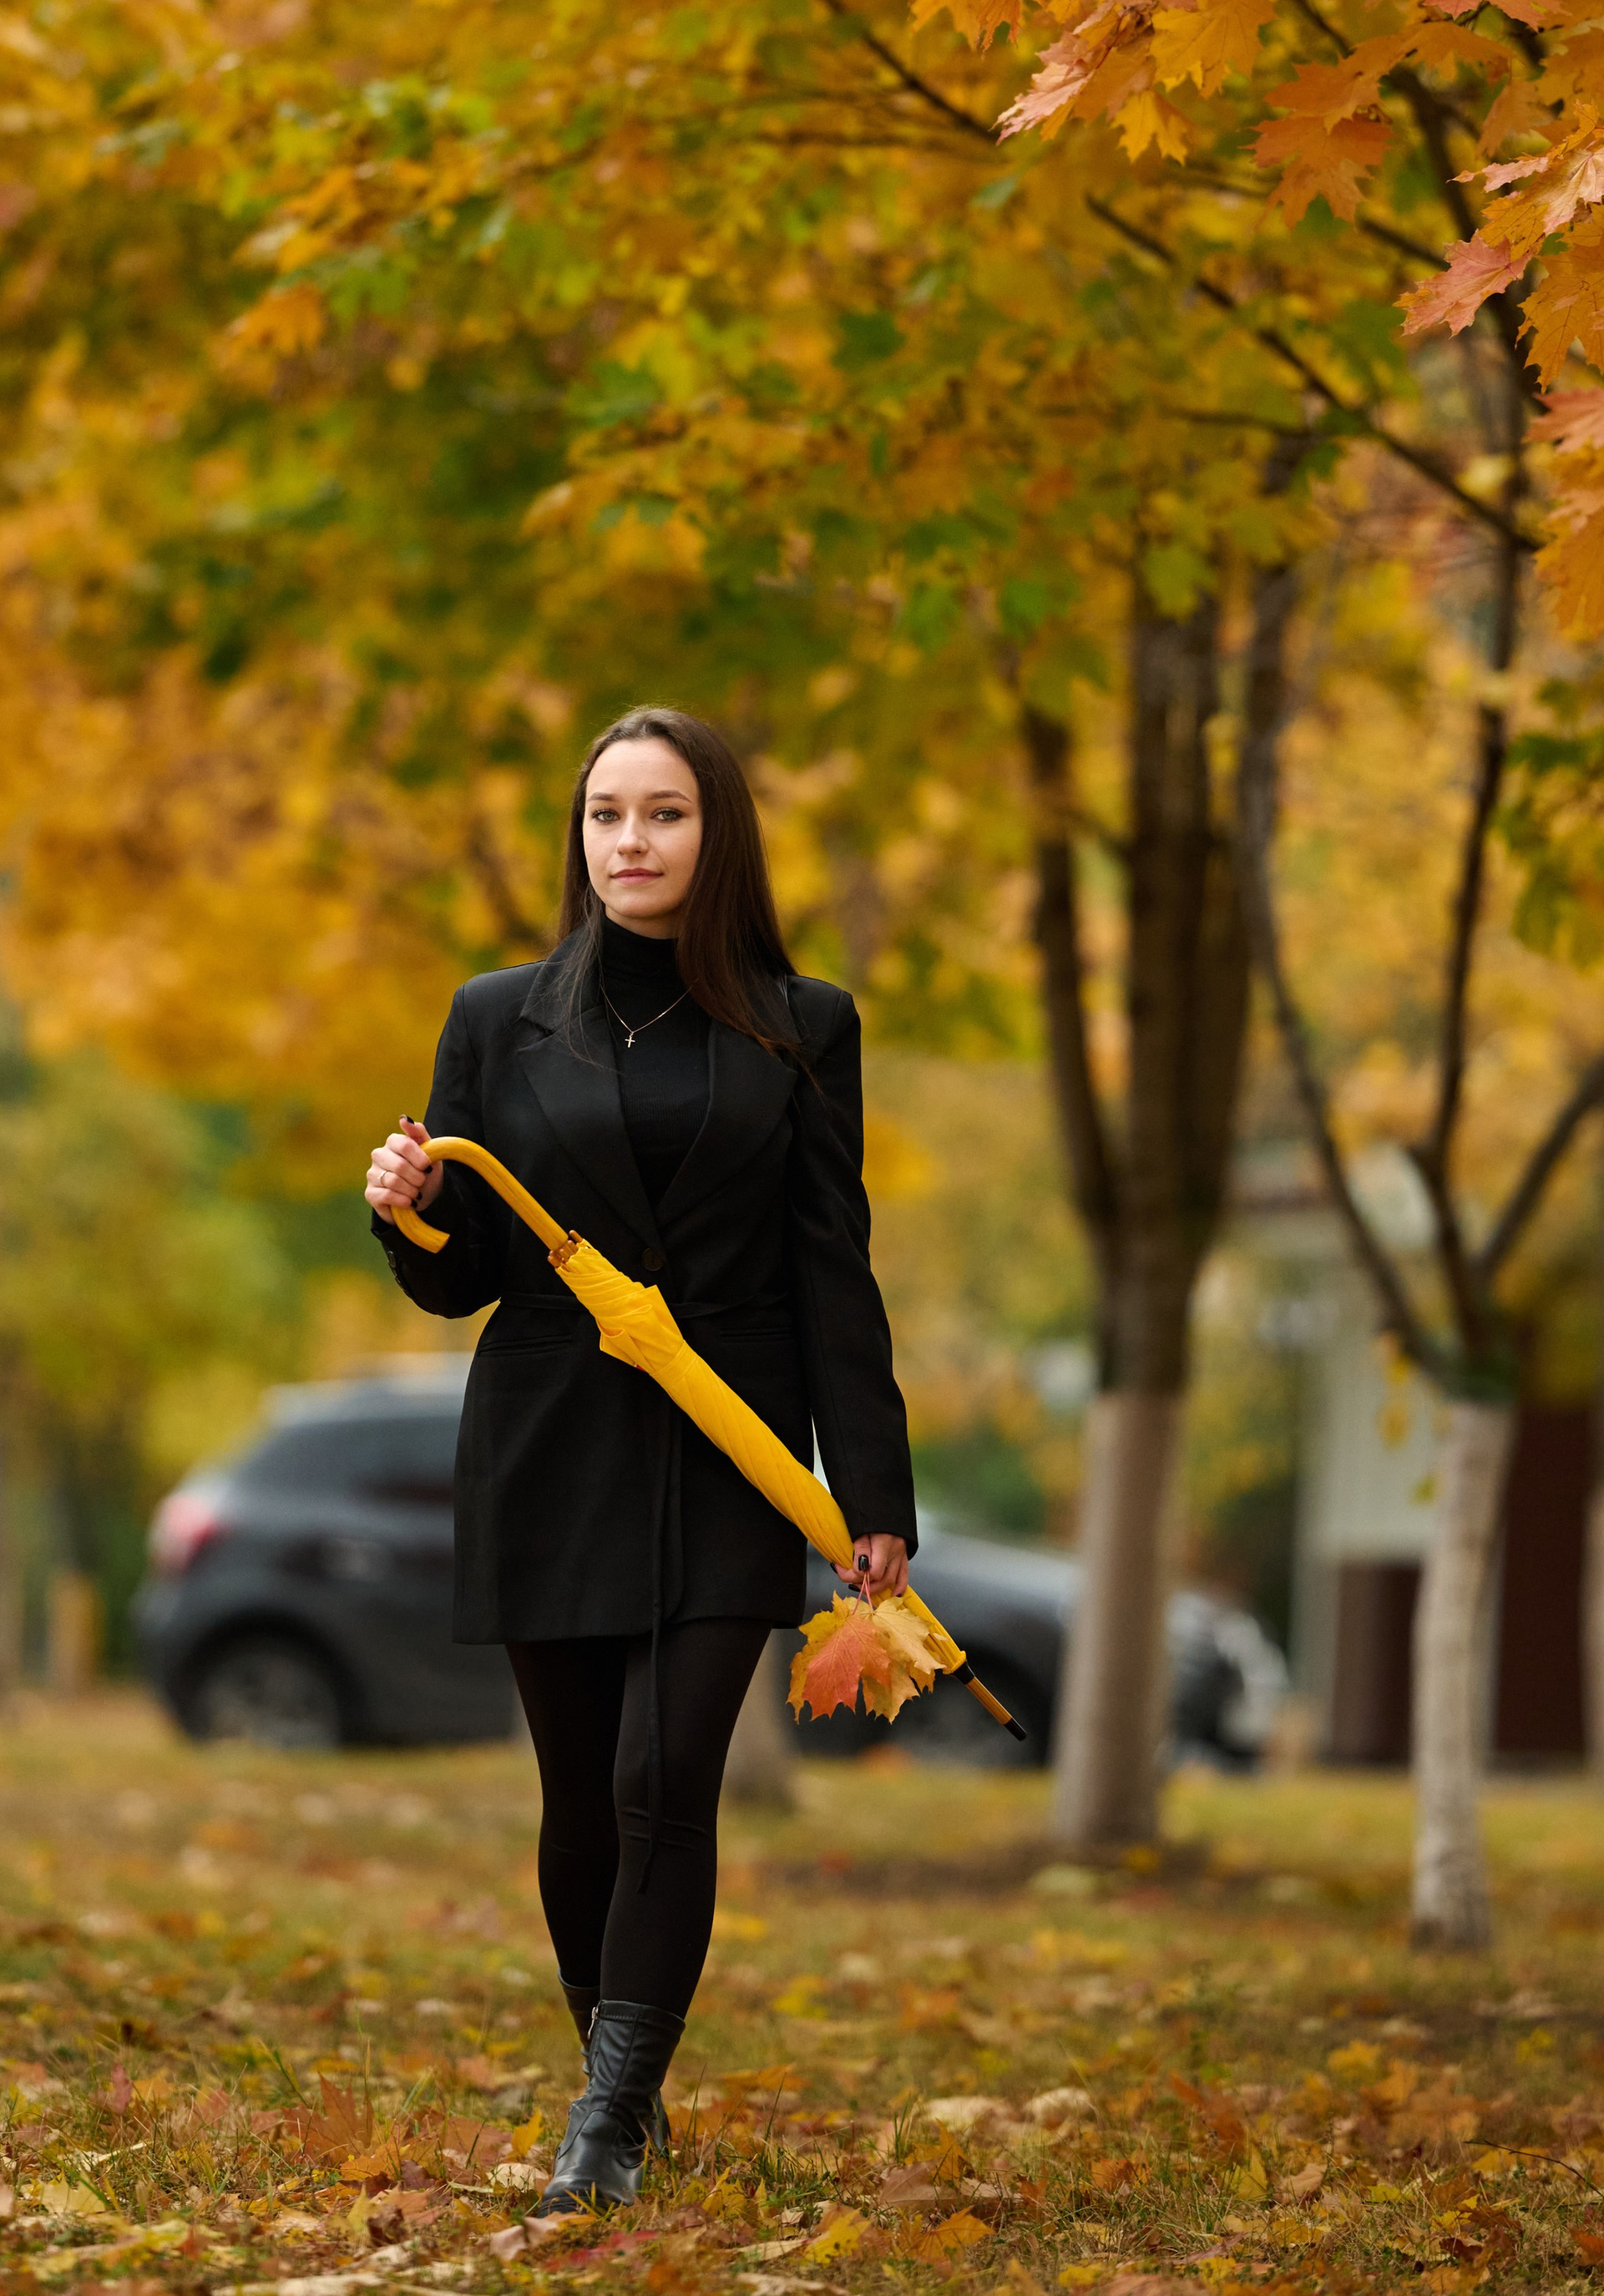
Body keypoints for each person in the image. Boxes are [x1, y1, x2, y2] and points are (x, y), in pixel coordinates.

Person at [363, 707, 915, 2213]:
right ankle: (628, 2094)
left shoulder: (807, 1025)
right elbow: (459, 1272)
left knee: (667, 1770)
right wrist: (407, 1204)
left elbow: (832, 1273)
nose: (631, 843)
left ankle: (604, 2121)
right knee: (579, 1802)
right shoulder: (497, 1018)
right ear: (580, 837)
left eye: (662, 814)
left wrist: (873, 1498)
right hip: (551, 1440)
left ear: (714, 833)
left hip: (730, 1441)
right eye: (607, 816)